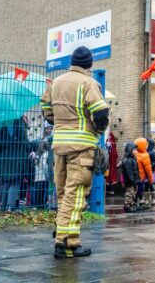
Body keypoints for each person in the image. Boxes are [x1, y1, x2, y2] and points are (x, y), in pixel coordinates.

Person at [40, 46, 110, 259]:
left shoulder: (57, 82)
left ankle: (67, 238)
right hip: (81, 147)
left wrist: (61, 123)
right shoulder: (89, 83)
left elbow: (46, 110)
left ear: (72, 62)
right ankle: (65, 243)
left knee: (63, 194)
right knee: (76, 194)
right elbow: (101, 112)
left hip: (59, 145)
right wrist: (96, 131)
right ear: (89, 64)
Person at [0, 117, 32, 211]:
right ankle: (10, 206)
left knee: (5, 183)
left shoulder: (0, 121)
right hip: (16, 156)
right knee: (15, 182)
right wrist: (29, 148)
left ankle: (3, 207)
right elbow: (23, 139)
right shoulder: (17, 120)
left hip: (2, 157)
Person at [120, 141, 140, 213]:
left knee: (133, 193)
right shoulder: (128, 160)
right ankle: (127, 205)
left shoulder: (132, 159)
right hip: (129, 181)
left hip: (133, 181)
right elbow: (129, 172)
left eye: (136, 150)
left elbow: (135, 170)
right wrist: (132, 180)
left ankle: (131, 204)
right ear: (130, 150)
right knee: (129, 193)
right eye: (134, 150)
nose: (136, 151)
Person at [134, 138, 153, 209]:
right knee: (140, 189)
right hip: (141, 177)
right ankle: (141, 202)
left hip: (134, 177)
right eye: (146, 144)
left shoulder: (135, 153)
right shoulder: (145, 155)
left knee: (136, 190)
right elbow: (148, 169)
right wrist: (150, 180)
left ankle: (135, 202)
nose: (147, 146)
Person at [146, 138, 155, 206]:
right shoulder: (145, 151)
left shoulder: (152, 152)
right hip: (145, 172)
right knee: (145, 185)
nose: (146, 145)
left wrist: (151, 166)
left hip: (151, 171)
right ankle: (146, 199)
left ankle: (154, 198)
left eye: (147, 143)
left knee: (150, 185)